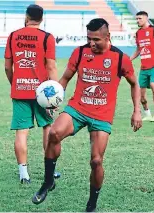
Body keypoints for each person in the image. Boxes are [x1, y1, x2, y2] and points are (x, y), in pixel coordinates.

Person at [32, 18, 142, 212]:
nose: (92, 43)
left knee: (96, 160)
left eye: (96, 40)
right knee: (54, 134)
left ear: (108, 37)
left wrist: (137, 111)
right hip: (78, 108)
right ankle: (48, 181)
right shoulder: (81, 52)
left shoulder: (120, 58)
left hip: (102, 115)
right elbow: (65, 78)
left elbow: (134, 84)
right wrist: (53, 99)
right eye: (89, 38)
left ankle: (92, 203)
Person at [4, 4, 60, 184]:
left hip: (20, 90)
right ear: (42, 19)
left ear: (26, 17)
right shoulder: (47, 38)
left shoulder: (13, 36)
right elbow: (51, 66)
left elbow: (7, 66)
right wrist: (55, 93)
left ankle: (23, 174)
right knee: (47, 128)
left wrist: (15, 83)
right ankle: (50, 170)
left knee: (22, 131)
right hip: (43, 92)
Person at [130, 11, 154, 122]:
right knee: (141, 94)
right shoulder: (138, 33)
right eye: (136, 19)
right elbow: (138, 50)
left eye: (140, 18)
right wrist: (129, 60)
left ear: (146, 19)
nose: (138, 20)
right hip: (144, 68)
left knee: (153, 85)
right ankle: (147, 114)